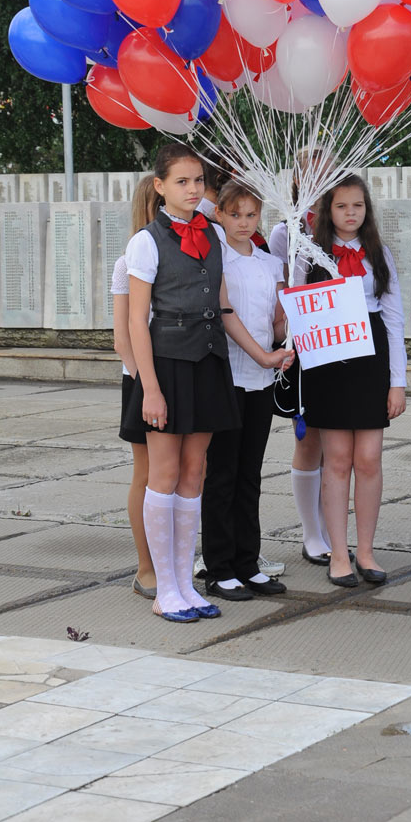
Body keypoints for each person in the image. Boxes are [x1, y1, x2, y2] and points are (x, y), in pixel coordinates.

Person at [123, 142, 291, 624]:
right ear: (160, 187)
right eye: (181, 181)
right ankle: (165, 589)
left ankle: (184, 584)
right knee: (165, 474)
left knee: (195, 472)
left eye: (198, 181)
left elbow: (222, 306)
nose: (193, 189)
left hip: (209, 362)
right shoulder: (146, 242)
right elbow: (138, 323)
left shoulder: (212, 236)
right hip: (167, 364)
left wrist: (265, 350)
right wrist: (149, 389)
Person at [303, 174, 407, 587]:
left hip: (370, 357)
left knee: (368, 458)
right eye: (342, 206)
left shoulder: (378, 254)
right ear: (329, 211)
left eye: (358, 206)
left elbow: (396, 318)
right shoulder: (309, 254)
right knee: (338, 460)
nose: (350, 213)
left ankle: (366, 550)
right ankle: (338, 553)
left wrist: (397, 381)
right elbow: (297, 307)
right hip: (328, 359)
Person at [201, 181, 289, 600]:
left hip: (261, 378)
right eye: (234, 214)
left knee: (250, 473)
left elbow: (275, 322)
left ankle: (247, 562)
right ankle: (218, 568)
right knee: (222, 474)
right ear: (218, 214)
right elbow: (224, 314)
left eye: (251, 215)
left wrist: (301, 325)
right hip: (227, 378)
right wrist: (263, 355)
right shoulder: (215, 259)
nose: (243, 222)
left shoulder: (270, 264)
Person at [268, 149, 334, 567]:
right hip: (305, 346)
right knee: (310, 440)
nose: (321, 180)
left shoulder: (349, 225)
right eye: (312, 173)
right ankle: (312, 533)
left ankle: (333, 529)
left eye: (328, 172)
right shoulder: (283, 232)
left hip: (342, 346)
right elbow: (279, 292)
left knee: (340, 444)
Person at [111, 175, 160, 599]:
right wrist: (145, 382)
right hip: (143, 382)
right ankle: (146, 567)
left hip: (181, 376)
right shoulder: (129, 259)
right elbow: (123, 336)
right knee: (145, 474)